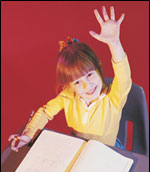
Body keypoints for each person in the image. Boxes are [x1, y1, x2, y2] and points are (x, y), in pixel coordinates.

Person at [8, 6, 132, 152]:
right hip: (78, 149)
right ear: (69, 85)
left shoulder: (113, 98)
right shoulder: (68, 96)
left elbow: (123, 76)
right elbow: (46, 112)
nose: (87, 86)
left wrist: (114, 44)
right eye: (77, 82)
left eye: (90, 75)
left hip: (108, 151)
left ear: (98, 68)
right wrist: (28, 135)